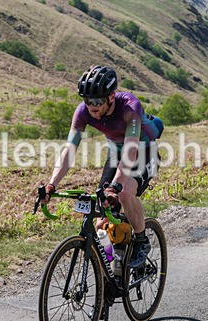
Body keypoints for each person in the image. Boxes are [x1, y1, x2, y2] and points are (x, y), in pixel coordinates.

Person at [41, 65, 162, 268]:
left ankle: (141, 240)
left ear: (111, 96)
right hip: (116, 155)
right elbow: (69, 150)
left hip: (143, 152)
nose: (92, 106)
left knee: (123, 194)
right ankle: (110, 275)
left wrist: (114, 186)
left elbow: (131, 151)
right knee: (101, 225)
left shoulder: (130, 108)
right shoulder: (82, 112)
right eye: (88, 101)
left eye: (97, 101)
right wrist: (51, 185)